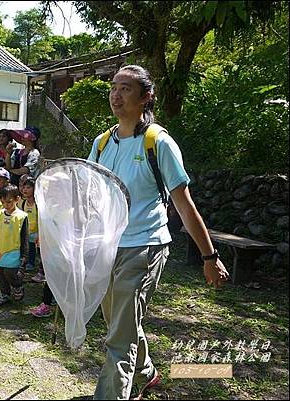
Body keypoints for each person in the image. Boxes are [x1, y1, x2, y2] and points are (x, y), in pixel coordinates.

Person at [88, 65, 230, 400]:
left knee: (118, 339)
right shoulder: (102, 142)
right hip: (109, 246)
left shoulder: (158, 143)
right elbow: (91, 193)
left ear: (146, 96)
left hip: (145, 247)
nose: (116, 94)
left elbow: (183, 204)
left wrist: (209, 257)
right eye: (114, 87)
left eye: (125, 88)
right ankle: (147, 373)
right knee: (120, 325)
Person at [0, 184, 29, 305]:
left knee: (10, 273)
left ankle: (18, 286)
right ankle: (5, 294)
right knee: (0, 273)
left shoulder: (22, 217)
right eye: (3, 202)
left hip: (14, 250)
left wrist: (24, 255)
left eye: (9, 202)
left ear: (17, 199)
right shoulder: (0, 214)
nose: (6, 205)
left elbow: (24, 237)